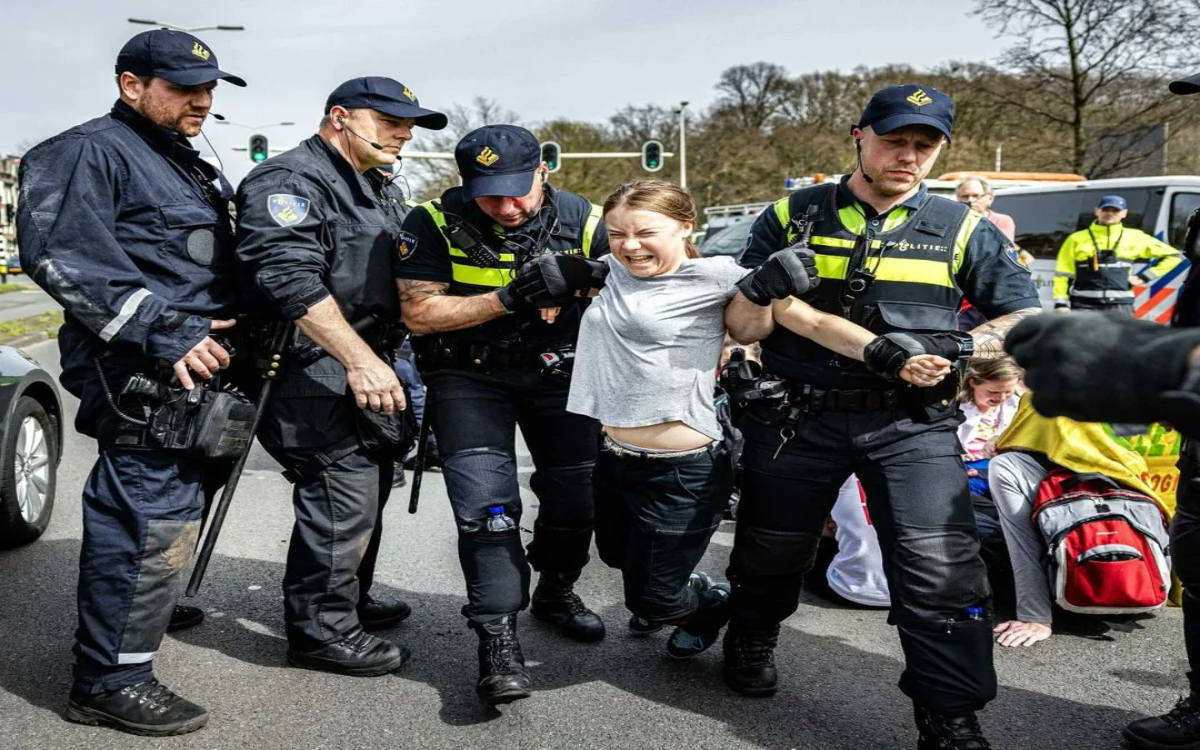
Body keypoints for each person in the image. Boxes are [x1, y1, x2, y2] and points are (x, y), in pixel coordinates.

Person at [727, 83, 1042, 749]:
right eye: (894, 139)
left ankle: (949, 717)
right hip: (796, 417)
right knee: (770, 552)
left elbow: (1023, 317)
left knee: (942, 570)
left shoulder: (963, 228)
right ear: (858, 135)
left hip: (912, 423)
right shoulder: (793, 213)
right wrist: (762, 289)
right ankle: (751, 637)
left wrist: (960, 346)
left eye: (924, 146)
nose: (908, 155)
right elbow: (742, 322)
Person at [570, 180, 950, 660]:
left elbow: (798, 323)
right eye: (617, 233)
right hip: (615, 455)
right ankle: (676, 591)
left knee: (652, 597)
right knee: (613, 556)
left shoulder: (719, 275)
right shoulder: (610, 270)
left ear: (685, 226)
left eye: (645, 232)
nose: (629, 245)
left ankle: (709, 604)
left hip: (682, 469)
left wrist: (888, 356)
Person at [15, 30, 246, 736]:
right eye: (183, 87)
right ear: (131, 84)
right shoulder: (86, 150)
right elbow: (58, 254)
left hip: (199, 365)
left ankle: (143, 611)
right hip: (144, 366)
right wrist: (169, 332)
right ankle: (109, 680)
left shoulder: (178, 161)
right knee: (146, 516)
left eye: (208, 89)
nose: (201, 101)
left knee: (177, 504)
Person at [234, 76, 446, 677]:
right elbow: (287, 279)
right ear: (340, 118)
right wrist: (358, 359)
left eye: (410, 126)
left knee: (373, 479)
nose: (404, 135)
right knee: (341, 486)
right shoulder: (290, 182)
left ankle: (348, 597)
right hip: (307, 362)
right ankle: (321, 631)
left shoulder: (378, 186)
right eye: (391, 122)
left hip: (366, 354)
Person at [395, 124, 609, 706]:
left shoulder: (585, 219)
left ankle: (557, 592)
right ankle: (497, 637)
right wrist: (510, 297)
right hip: (470, 378)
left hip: (559, 378)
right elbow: (419, 313)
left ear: (545, 172)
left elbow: (646, 274)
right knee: (487, 510)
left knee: (575, 499)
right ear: (466, 183)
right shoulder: (432, 222)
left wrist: (588, 278)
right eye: (490, 194)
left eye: (520, 190)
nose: (509, 207)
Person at [985, 399, 1165, 650]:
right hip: (1141, 590)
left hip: (1072, 597)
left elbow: (1022, 544)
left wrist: (1035, 618)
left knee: (1001, 475)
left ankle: (1036, 612)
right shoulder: (1127, 444)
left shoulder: (1015, 459)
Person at [1052, 194, 1182, 314]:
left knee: (1122, 340)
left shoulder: (1135, 237)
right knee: (1085, 340)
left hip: (1120, 305)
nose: (1110, 213)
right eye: (1105, 210)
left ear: (1124, 213)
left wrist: (1144, 277)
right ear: (1097, 211)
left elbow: (1174, 256)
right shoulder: (1076, 239)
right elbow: (1062, 274)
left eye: (1115, 210)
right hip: (1084, 305)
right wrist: (1060, 303)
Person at [956, 177, 1015, 242]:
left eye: (975, 196)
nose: (970, 200)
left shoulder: (1001, 221)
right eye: (965, 196)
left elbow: (1002, 247)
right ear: (958, 198)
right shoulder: (953, 220)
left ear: (990, 198)